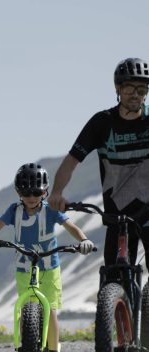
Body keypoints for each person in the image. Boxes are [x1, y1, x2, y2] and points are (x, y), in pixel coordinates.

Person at [0, 163, 94, 352]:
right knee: (26, 309)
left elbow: (71, 227)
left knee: (50, 310)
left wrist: (84, 240)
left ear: (45, 192)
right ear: (18, 192)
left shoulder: (51, 210)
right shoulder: (14, 211)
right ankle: (27, 351)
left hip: (49, 268)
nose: (31, 197)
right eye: (26, 192)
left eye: (36, 192)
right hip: (24, 268)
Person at [48, 58, 149, 270]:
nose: (136, 94)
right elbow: (72, 160)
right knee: (112, 275)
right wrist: (57, 192)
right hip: (118, 216)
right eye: (130, 87)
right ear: (118, 88)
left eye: (142, 89)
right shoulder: (102, 123)